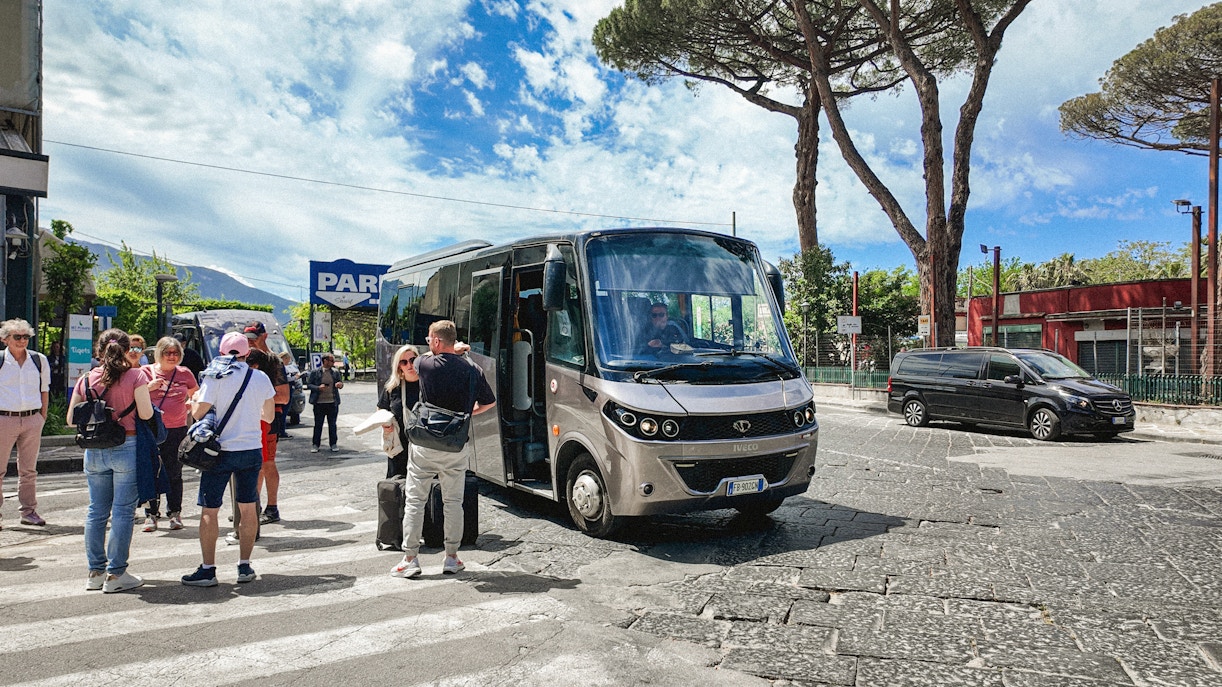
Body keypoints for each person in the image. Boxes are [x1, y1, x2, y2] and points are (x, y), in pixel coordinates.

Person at [391, 321, 495, 578]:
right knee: (453, 502)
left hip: (424, 445)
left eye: (429, 339)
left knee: (415, 501)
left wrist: (449, 349)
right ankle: (451, 557)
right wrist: (470, 412)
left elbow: (419, 361)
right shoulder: (474, 370)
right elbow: (489, 403)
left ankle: (410, 559)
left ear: (436, 342)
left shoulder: (426, 364)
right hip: (454, 445)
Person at [181, 332, 275, 587]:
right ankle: (244, 566)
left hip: (218, 452)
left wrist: (193, 403)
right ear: (247, 352)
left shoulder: (215, 376)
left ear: (221, 352)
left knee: (210, 510)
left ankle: (208, 570)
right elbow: (268, 417)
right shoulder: (260, 377)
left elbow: (199, 412)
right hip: (250, 449)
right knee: (248, 507)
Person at [69, 328, 155, 593]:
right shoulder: (136, 375)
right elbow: (146, 413)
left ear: (99, 350)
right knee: (122, 511)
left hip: (94, 449)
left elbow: (71, 419)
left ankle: (95, 571)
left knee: (96, 510)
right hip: (126, 445)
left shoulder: (86, 379)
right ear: (127, 349)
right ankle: (116, 575)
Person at [139, 336, 199, 532]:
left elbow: (196, 394)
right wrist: (149, 388)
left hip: (177, 428)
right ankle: (151, 515)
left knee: (174, 472)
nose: (172, 357)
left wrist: (192, 404)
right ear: (159, 353)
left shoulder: (185, 373)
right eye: (167, 353)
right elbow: (133, 397)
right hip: (152, 429)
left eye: (175, 353)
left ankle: (174, 513)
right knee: (151, 471)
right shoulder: (145, 372)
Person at [0, 319, 51, 530]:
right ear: (5, 339)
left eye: (26, 337)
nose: (22, 341)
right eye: (17, 337)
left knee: (29, 469)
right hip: (4, 418)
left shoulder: (39, 360)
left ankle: (28, 511)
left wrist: (42, 416)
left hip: (32, 418)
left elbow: (44, 389)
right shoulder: (1, 360)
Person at [243, 320, 288, 525]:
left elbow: (284, 397)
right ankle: (253, 505)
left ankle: (272, 507)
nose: (250, 343)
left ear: (264, 337)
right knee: (253, 463)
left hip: (269, 418)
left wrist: (258, 397)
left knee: (266, 463)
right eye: (247, 339)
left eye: (253, 339)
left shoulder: (274, 362)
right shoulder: (242, 359)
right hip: (249, 417)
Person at [378, 345, 420, 478]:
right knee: (397, 487)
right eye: (404, 362)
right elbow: (381, 409)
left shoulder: (429, 385)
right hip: (399, 446)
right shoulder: (392, 387)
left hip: (423, 446)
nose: (409, 365)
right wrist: (385, 424)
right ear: (399, 366)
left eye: (413, 360)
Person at [306, 353, 344, 453]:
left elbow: (340, 383)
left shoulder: (335, 372)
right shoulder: (315, 372)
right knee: (318, 424)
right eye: (331, 361)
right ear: (325, 361)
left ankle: (333, 444)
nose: (333, 363)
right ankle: (315, 444)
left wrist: (339, 385)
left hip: (332, 402)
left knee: (332, 424)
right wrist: (318, 388)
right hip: (319, 403)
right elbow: (309, 385)